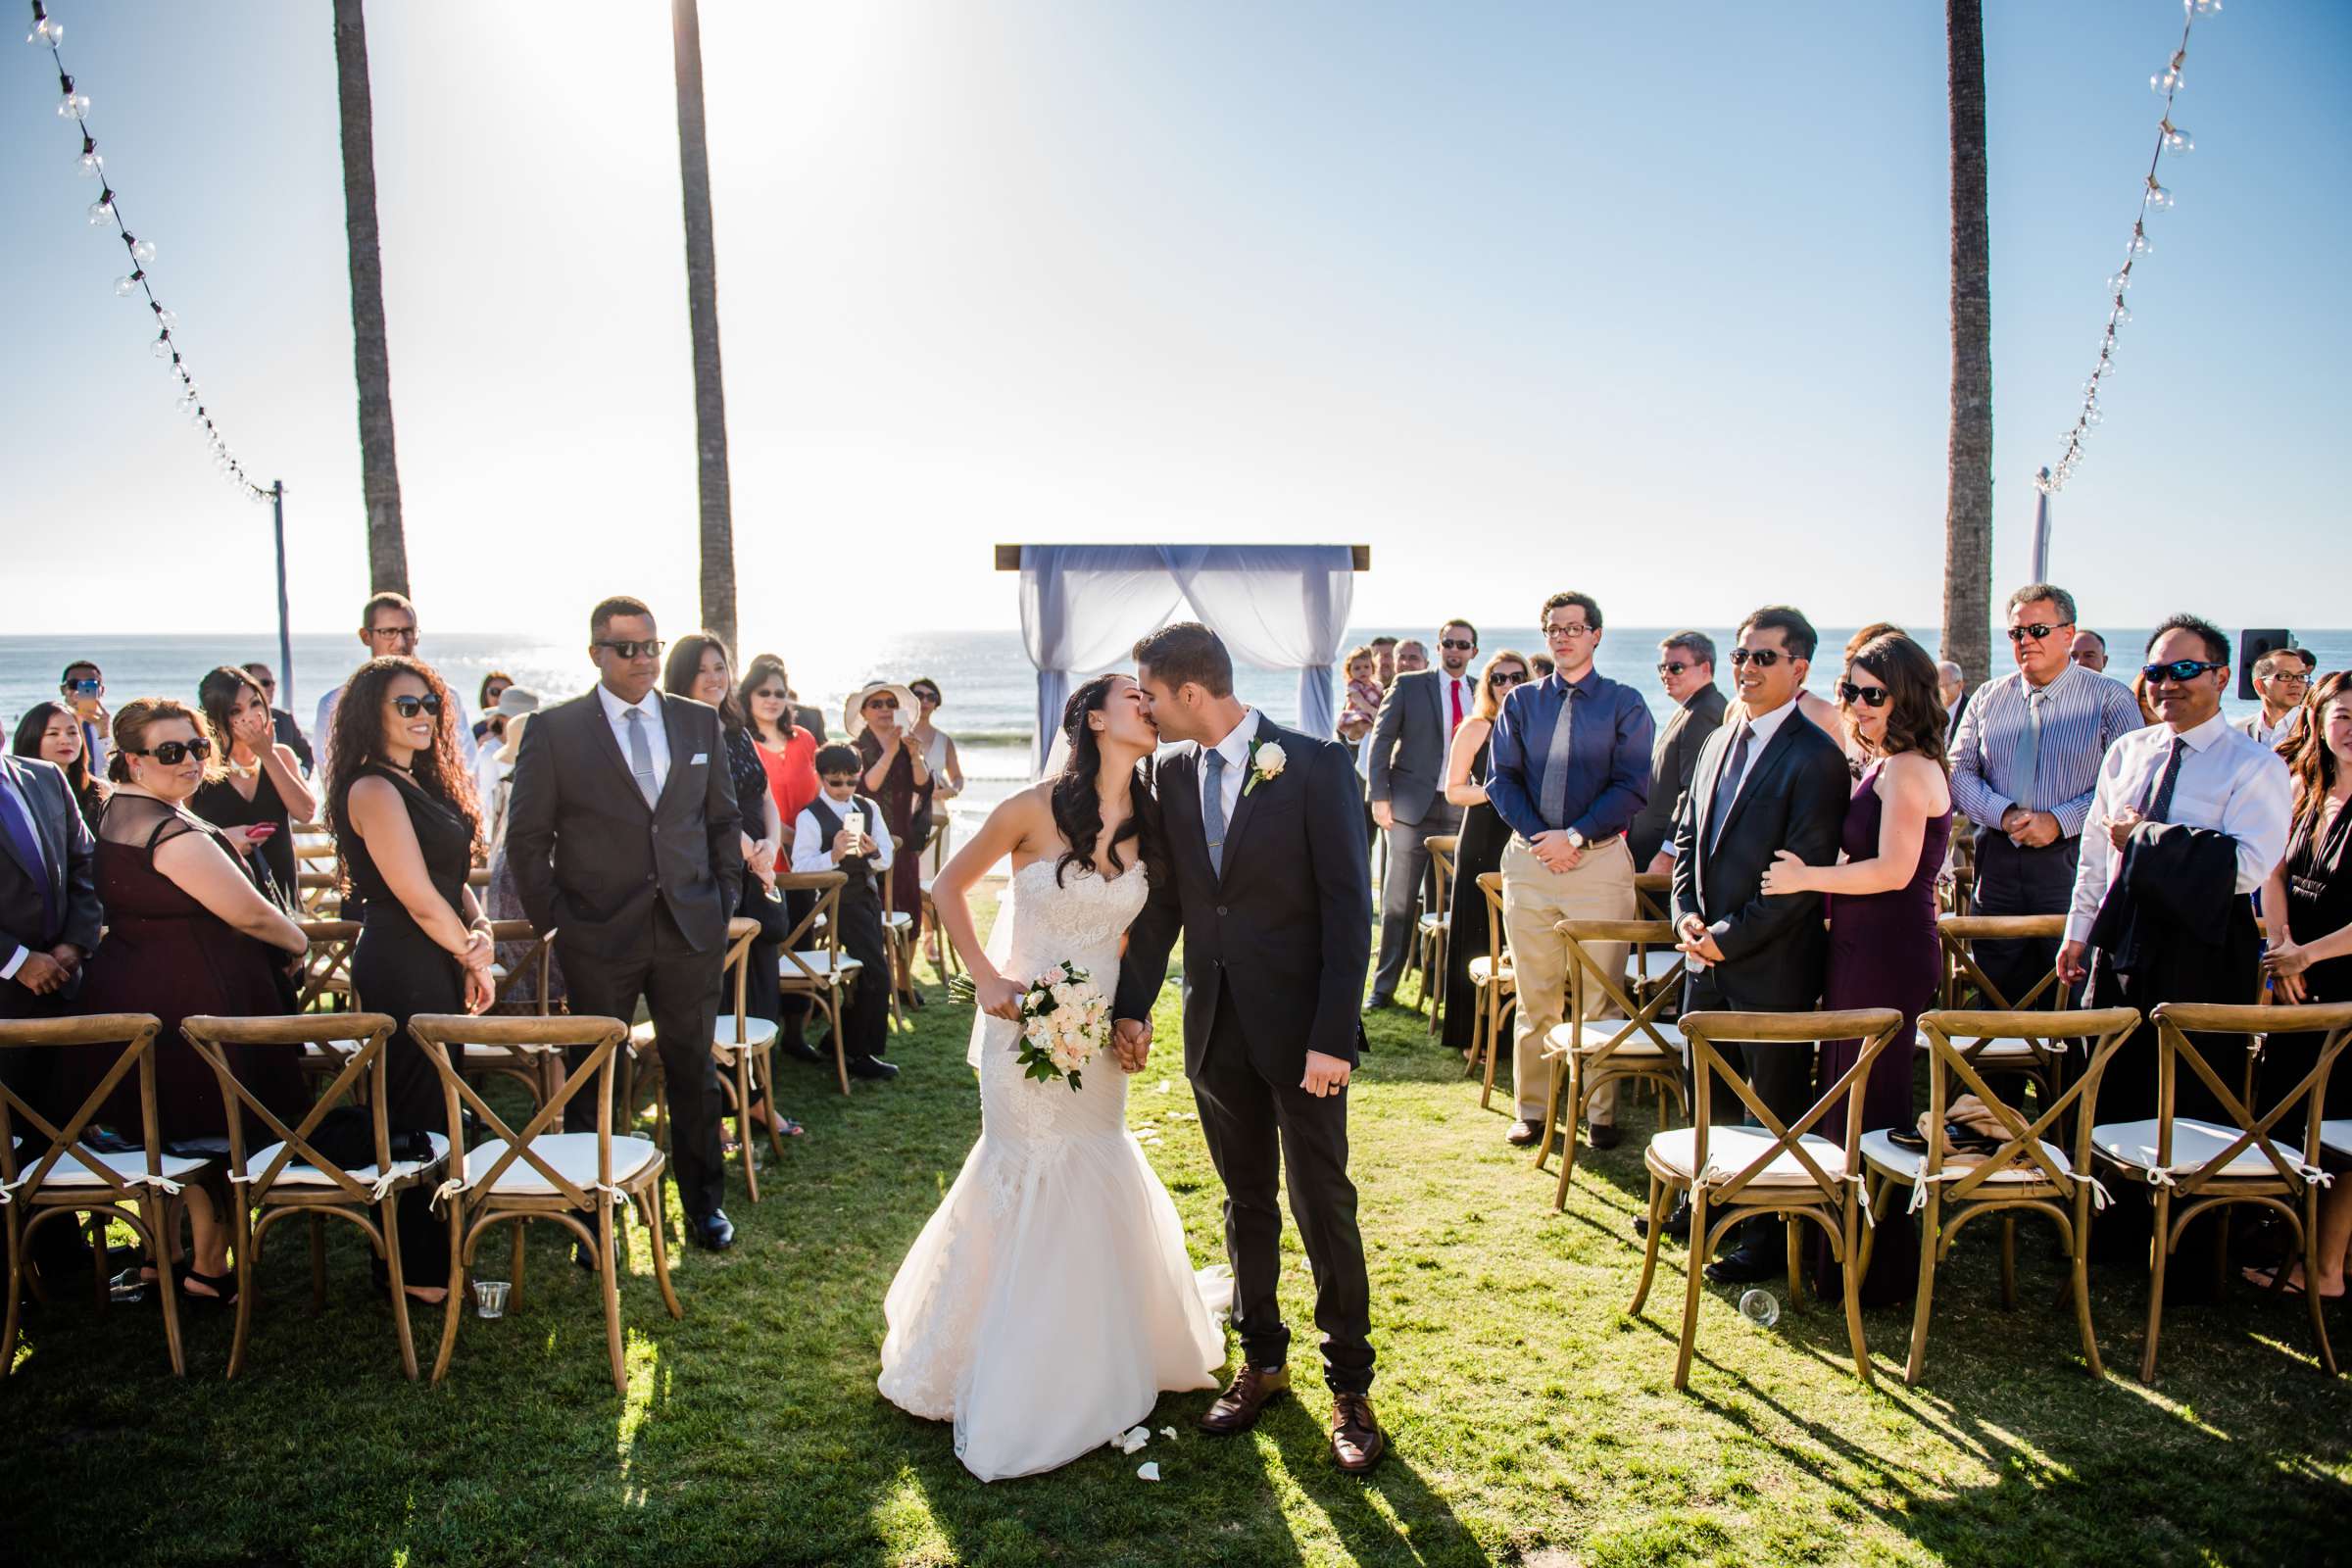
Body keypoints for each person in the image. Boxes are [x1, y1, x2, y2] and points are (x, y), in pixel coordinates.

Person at [881, 675, 1222, 1480]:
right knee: (1024, 1165)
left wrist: (1133, 1015)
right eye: (1133, 696)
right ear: (1095, 719)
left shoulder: (1154, 819)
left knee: (1095, 1155)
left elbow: (1143, 935)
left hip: (1099, 1031)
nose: (1149, 705)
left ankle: (1096, 1350)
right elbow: (946, 886)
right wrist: (988, 977)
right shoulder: (1031, 808)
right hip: (1022, 1024)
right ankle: (1003, 1359)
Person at [1113, 622, 1385, 1473]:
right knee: (1244, 1203)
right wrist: (1132, 1006)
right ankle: (1262, 1361)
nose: (1146, 711)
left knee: (1321, 1206)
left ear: (1190, 693)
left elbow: (1350, 910)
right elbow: (1166, 909)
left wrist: (1333, 1037)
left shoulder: (1313, 765)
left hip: (1306, 1038)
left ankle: (1351, 1387)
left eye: (1150, 695)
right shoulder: (1166, 773)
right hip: (1216, 1027)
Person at [505, 595, 744, 1254]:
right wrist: (559, 923)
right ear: (595, 655)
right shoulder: (556, 731)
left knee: (693, 1071)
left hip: (689, 928)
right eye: (626, 648)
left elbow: (722, 821)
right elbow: (526, 840)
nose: (641, 659)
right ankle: (591, 1216)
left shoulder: (698, 723)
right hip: (597, 934)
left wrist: (722, 897)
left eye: (650, 646)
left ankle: (704, 1209)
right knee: (594, 1076)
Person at [75, 698, 310, 1302]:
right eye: (170, 751)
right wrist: (297, 938)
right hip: (192, 996)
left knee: (172, 1128)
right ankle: (208, 1270)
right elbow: (250, 913)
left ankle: (164, 1259)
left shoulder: (119, 812)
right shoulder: (168, 828)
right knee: (205, 1132)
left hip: (146, 988)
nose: (188, 761)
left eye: (197, 747)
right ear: (132, 759)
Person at [1759, 630, 1953, 1304]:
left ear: (1909, 697)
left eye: (1875, 694)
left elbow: (1897, 871)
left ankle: (1876, 1269)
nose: (1861, 705)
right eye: (1853, 691)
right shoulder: (1885, 762)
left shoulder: (1906, 769)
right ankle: (1842, 1254)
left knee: (1872, 1095)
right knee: (1845, 1089)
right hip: (1861, 942)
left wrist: (1806, 878)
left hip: (1889, 947)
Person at [1666, 606, 1852, 1279]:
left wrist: (1728, 938)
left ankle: (1764, 1238)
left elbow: (1801, 877)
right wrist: (1685, 916)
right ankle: (1702, 1204)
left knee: (1769, 1103)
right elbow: (1687, 836)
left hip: (1771, 962)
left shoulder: (1819, 758)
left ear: (1800, 668)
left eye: (1764, 657)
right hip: (1702, 954)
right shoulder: (1720, 736)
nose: (1747, 667)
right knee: (1703, 1090)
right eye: (1741, 654)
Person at [2059, 615, 2293, 1125]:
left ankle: (2185, 1202)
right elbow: (2097, 855)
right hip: (2121, 936)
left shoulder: (2254, 765)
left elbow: (2249, 866)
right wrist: (2077, 932)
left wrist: (2144, 839)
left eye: (2185, 669)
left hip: (2202, 946)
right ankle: (2107, 1197)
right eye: (2156, 671)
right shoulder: (2127, 753)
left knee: (2191, 1097)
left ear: (2222, 677)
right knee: (2109, 1083)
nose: (2167, 683)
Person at [326, 657, 496, 1306]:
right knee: (417, 1108)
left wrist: (478, 934)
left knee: (440, 1102)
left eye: (430, 704)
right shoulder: (372, 789)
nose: (423, 715)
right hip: (402, 957)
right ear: (373, 712)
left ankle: (429, 1253)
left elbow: (452, 885)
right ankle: (415, 1271)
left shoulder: (420, 782)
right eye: (407, 705)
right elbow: (418, 898)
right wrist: (472, 957)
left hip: (439, 951)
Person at [1486, 593, 1654, 1150]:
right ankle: (1532, 1110)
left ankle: (1598, 1112)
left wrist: (1575, 836)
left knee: (1598, 997)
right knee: (1535, 996)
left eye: (1575, 628)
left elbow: (1632, 787)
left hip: (1599, 863)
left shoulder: (1625, 703)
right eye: (1554, 629)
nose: (1563, 637)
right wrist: (1543, 839)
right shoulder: (1520, 704)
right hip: (1530, 862)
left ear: (1596, 635)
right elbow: (1500, 780)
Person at [1949, 583, 2145, 1012]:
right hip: (1997, 862)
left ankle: (2067, 1081)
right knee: (1997, 997)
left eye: (2037, 630)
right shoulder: (1987, 697)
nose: (2026, 641)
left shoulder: (2110, 698)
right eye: (2016, 633)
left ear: (2068, 634)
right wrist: (2003, 815)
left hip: (2073, 863)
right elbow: (1958, 771)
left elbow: (2129, 786)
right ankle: (1996, 1080)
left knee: (2072, 995)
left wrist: (2060, 820)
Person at [666, 634, 803, 1136]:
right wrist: (750, 852)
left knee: (760, 989)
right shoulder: (676, 729)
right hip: (710, 872)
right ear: (682, 675)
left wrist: (770, 842)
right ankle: (717, 1109)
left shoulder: (736, 726)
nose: (714, 677)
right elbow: (699, 808)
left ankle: (759, 1101)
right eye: (702, 668)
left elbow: (763, 792)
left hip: (756, 867)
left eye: (720, 667)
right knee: (717, 994)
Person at [0, 726, 105, 1290]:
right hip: (5, 992)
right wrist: (16, 960)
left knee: (62, 1125)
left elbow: (84, 867)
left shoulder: (42, 778)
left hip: (64, 987)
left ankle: (66, 1262)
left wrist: (73, 945)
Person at [1363, 620, 1481, 1010]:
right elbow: (1381, 741)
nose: (1454, 650)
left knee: (1446, 902)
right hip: (1411, 806)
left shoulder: (1482, 692)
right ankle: (1384, 988)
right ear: (1439, 646)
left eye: (1462, 644)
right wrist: (1379, 796)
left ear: (1473, 652)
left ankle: (1439, 987)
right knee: (1398, 902)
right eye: (1448, 642)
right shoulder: (1411, 685)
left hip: (1460, 806)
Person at [2259, 669, 2352, 1123]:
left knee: (2339, 1132)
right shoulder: (2300, 787)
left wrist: (2306, 956)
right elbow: (2271, 872)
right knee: (2284, 1116)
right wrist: (2281, 947)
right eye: (2344, 716)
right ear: (2317, 720)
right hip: (2295, 978)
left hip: (2344, 983)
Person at [1439, 649, 1531, 1055]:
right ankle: (1470, 1032)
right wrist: (1495, 793)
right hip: (1483, 834)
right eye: (1499, 678)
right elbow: (1453, 790)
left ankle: (1518, 1033)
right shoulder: (1476, 727)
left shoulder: (1535, 725)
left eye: (1516, 677)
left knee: (1520, 930)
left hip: (1526, 836)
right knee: (1478, 928)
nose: (1508, 685)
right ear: (1488, 684)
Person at [789, 745, 899, 1082]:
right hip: (830, 906)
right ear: (820, 778)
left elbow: (887, 859)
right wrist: (833, 856)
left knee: (872, 972)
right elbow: (799, 870)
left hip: (865, 899)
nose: (844, 789)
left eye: (851, 781)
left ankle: (843, 1045)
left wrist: (874, 851)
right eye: (835, 782)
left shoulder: (868, 807)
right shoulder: (809, 817)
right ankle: (857, 1053)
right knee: (876, 972)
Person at [742, 656, 823, 1062]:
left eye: (778, 692)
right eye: (763, 692)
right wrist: (782, 837)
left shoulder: (804, 739)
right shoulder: (742, 741)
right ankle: (760, 1039)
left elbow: (817, 799)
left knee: (802, 948)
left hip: (804, 866)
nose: (772, 700)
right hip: (762, 866)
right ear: (748, 696)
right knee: (766, 955)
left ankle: (796, 1034)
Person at [191, 665, 316, 907]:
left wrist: (267, 755)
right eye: (236, 711)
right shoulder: (201, 766)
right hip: (223, 894)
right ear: (217, 718)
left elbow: (305, 812)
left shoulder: (281, 756)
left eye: (255, 703)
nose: (249, 716)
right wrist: (223, 840)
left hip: (278, 892)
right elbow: (181, 831)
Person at [315, 593, 476, 776]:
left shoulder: (447, 697)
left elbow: (468, 767)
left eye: (408, 631)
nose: (400, 643)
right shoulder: (336, 703)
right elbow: (331, 773)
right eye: (389, 632)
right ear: (366, 636)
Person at [850, 679, 933, 1003]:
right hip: (868, 840)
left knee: (909, 909)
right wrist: (890, 752)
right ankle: (876, 981)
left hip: (903, 838)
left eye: (890, 704)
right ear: (865, 712)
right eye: (877, 704)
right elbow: (867, 787)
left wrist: (914, 756)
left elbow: (923, 786)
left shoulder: (907, 743)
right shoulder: (858, 749)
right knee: (874, 912)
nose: (885, 709)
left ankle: (904, 982)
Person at [1629, 632, 1728, 873]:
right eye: (1662, 667)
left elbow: (1693, 789)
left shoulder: (1703, 713)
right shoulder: (1690, 709)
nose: (1666, 675)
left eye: (1676, 668)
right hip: (1650, 853)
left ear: (1705, 668)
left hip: (1666, 861)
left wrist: (1669, 853)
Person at [12, 701, 108, 835]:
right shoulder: (15, 792)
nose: (66, 740)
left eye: (72, 732)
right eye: (53, 734)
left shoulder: (98, 790)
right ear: (31, 738)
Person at [473, 685, 540, 846]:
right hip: (498, 837)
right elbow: (487, 802)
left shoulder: (537, 749)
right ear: (502, 719)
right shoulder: (489, 753)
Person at [241, 663, 315, 776]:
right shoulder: (235, 724)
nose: (272, 687)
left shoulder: (284, 719)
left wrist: (302, 773)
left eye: (273, 683)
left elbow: (308, 754)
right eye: (265, 683)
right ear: (245, 687)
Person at [2243, 647, 2316, 750]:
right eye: (2285, 676)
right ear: (2260, 685)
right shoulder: (2238, 732)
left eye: (2301, 676)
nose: (2296, 684)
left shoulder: (2318, 730)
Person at [59, 660, 108, 775]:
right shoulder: (50, 728)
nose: (80, 690)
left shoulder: (116, 729)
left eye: (90, 684)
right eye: (74, 684)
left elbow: (119, 771)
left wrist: (105, 735)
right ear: (63, 690)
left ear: (102, 690)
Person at [1338, 645, 1383, 750]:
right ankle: (1362, 752)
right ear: (1349, 671)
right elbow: (1359, 700)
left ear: (1373, 668)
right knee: (1366, 727)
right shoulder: (1353, 685)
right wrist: (1372, 711)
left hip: (1372, 716)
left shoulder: (1377, 685)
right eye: (1357, 668)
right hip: (1357, 715)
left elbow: (1381, 700)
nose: (1362, 671)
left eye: (1366, 667)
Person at [472, 671, 514, 746]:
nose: (501, 697)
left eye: (506, 693)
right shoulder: (477, 730)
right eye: (495, 692)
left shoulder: (524, 726)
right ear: (485, 695)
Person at [1938, 661, 1969, 737]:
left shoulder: (1970, 710)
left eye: (1943, 686)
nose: (1939, 691)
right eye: (1937, 686)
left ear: (1960, 685)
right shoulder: (1930, 710)